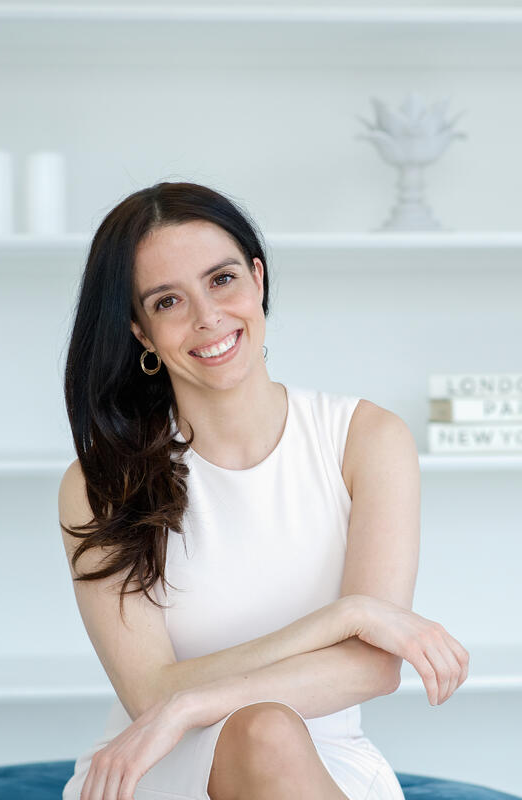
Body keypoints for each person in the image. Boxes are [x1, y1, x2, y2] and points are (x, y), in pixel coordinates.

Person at [58, 181, 469, 800]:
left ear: (257, 279)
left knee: (268, 732)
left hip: (323, 758)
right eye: (168, 301)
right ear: (141, 332)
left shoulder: (368, 439)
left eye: (221, 280)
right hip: (161, 759)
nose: (208, 318)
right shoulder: (100, 483)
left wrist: (189, 701)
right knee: (264, 729)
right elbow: (148, 693)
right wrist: (347, 615)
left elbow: (372, 666)